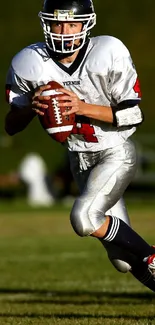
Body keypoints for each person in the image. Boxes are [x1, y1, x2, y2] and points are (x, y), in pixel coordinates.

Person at [4, 0, 155, 291]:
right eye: (57, 23)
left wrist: (80, 106)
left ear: (87, 23)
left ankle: (150, 254)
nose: (64, 31)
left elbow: (134, 114)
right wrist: (29, 109)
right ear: (46, 24)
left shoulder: (108, 51)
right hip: (80, 160)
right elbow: (11, 126)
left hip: (114, 152)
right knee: (123, 260)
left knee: (84, 218)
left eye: (71, 23)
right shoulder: (29, 62)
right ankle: (145, 258)